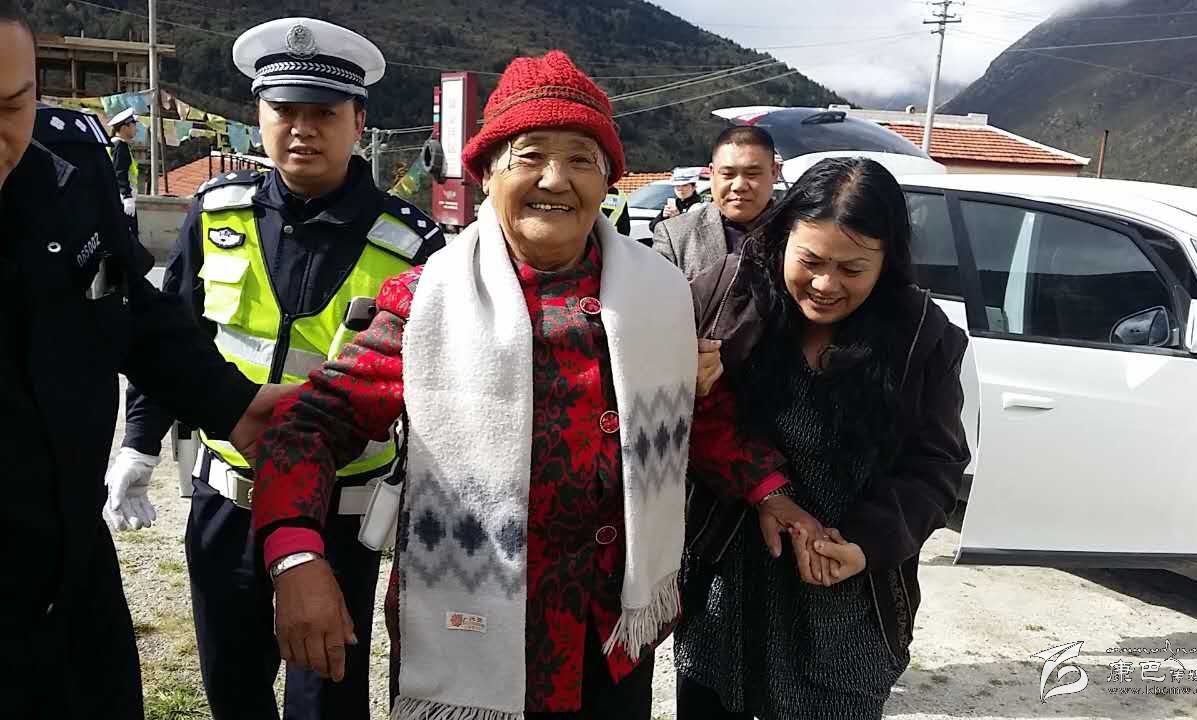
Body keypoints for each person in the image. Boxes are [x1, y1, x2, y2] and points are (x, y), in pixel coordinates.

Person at [248, 50, 823, 720]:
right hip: (475, 635)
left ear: (607, 181)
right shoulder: (427, 301)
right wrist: (295, 557)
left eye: (581, 159)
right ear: (487, 173)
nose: (556, 178)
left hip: (610, 635)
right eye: (530, 156)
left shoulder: (657, 296)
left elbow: (700, 416)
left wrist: (771, 492)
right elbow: (309, 426)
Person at [102, 16, 443, 720]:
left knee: (326, 698)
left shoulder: (413, 245)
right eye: (285, 110)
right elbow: (172, 336)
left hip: (340, 516)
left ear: (359, 122)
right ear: (258, 116)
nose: (302, 129)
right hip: (224, 503)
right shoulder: (214, 212)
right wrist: (137, 445)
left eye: (324, 113)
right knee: (233, 690)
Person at [0, 2, 284, 716]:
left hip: (74, 575)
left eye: (10, 106)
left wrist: (232, 403)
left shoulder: (67, 167)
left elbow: (128, 302)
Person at [675, 158, 970, 719]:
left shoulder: (921, 337)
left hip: (847, 590)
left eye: (852, 268)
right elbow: (678, 420)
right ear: (783, 238)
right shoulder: (729, 294)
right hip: (730, 581)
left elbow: (936, 466)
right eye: (809, 261)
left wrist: (864, 544)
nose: (826, 285)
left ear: (886, 261)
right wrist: (680, 375)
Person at [652, 126, 781, 278]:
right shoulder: (675, 236)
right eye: (727, 174)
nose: (739, 186)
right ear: (712, 173)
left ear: (774, 172)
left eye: (752, 174)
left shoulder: (797, 232)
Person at [108, 107, 140, 236]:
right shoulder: (121, 146)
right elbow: (120, 172)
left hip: (114, 198)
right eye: (133, 125)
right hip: (123, 201)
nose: (136, 129)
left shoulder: (112, 144)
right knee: (130, 238)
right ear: (124, 127)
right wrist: (127, 197)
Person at [647, 166, 701, 233]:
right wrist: (662, 216)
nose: (680, 189)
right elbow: (652, 227)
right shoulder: (675, 204)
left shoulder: (700, 206)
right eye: (677, 185)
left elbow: (693, 232)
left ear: (694, 187)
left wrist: (677, 218)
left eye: (684, 185)